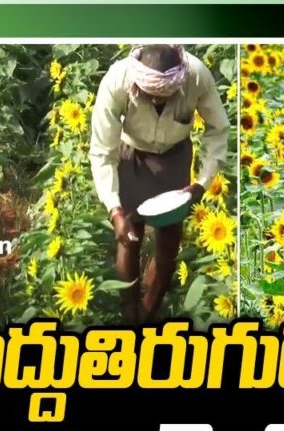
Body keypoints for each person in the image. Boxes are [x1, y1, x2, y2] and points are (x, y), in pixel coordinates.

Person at [89, 44, 229, 324]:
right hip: (133, 156)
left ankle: (148, 311)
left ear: (179, 84)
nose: (155, 103)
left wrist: (201, 183)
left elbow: (218, 128)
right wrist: (115, 211)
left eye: (163, 97)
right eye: (149, 96)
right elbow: (103, 151)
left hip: (174, 156)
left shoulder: (197, 76)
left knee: (169, 241)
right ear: (136, 84)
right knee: (129, 236)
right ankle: (129, 312)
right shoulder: (117, 81)